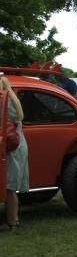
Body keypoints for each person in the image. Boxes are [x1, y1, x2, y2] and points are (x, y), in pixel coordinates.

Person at [0, 77, 29, 232]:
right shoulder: (13, 98)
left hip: (10, 146)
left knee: (9, 186)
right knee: (10, 187)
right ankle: (13, 220)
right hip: (17, 143)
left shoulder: (4, 101)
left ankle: (12, 222)